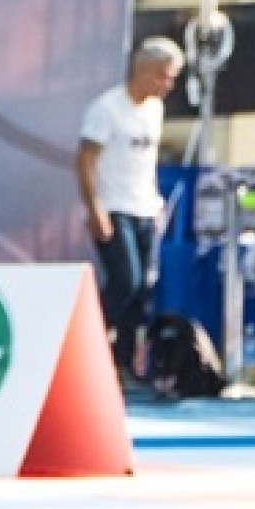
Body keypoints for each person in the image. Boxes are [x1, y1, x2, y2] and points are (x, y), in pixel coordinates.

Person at [77, 37, 184, 380]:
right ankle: (82, 339)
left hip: (144, 209)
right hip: (113, 208)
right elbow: (85, 161)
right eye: (163, 76)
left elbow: (146, 162)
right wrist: (95, 209)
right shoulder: (106, 108)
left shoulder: (155, 110)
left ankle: (121, 366)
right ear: (143, 71)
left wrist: (156, 205)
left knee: (141, 293)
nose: (168, 85)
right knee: (125, 282)